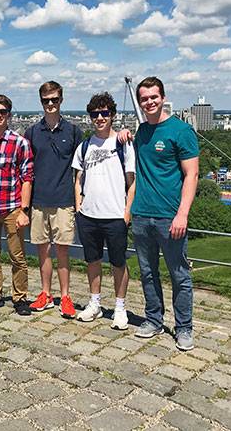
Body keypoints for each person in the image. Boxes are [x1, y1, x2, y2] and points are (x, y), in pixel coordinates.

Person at [131, 77, 199, 351]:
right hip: (141, 214)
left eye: (153, 97)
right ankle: (154, 319)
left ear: (163, 97)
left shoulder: (181, 131)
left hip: (169, 217)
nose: (149, 102)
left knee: (179, 275)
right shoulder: (141, 131)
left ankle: (184, 328)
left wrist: (182, 214)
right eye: (144, 98)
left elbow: (191, 174)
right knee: (148, 273)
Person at [72, 92, 135, 329]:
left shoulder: (123, 144)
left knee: (118, 263)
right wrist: (79, 209)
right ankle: (95, 303)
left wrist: (126, 213)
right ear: (90, 117)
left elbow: (132, 181)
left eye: (104, 113)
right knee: (93, 261)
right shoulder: (85, 146)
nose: (100, 118)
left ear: (113, 115)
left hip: (115, 215)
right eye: (95, 114)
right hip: (89, 215)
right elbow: (78, 179)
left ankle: (120, 308)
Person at [25, 81, 82, 318]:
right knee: (43, 252)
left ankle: (65, 296)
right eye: (46, 100)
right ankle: (46, 294)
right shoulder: (31, 132)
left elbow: (80, 169)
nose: (50, 104)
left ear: (61, 100)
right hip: (38, 201)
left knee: (62, 252)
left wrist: (79, 203)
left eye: (54, 99)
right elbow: (26, 168)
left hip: (64, 200)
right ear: (41, 102)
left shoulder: (73, 131)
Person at [0, 95, 34, 316]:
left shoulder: (20, 142)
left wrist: (24, 211)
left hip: (12, 208)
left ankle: (20, 297)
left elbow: (27, 177)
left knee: (17, 257)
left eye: (2, 111)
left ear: (9, 114)